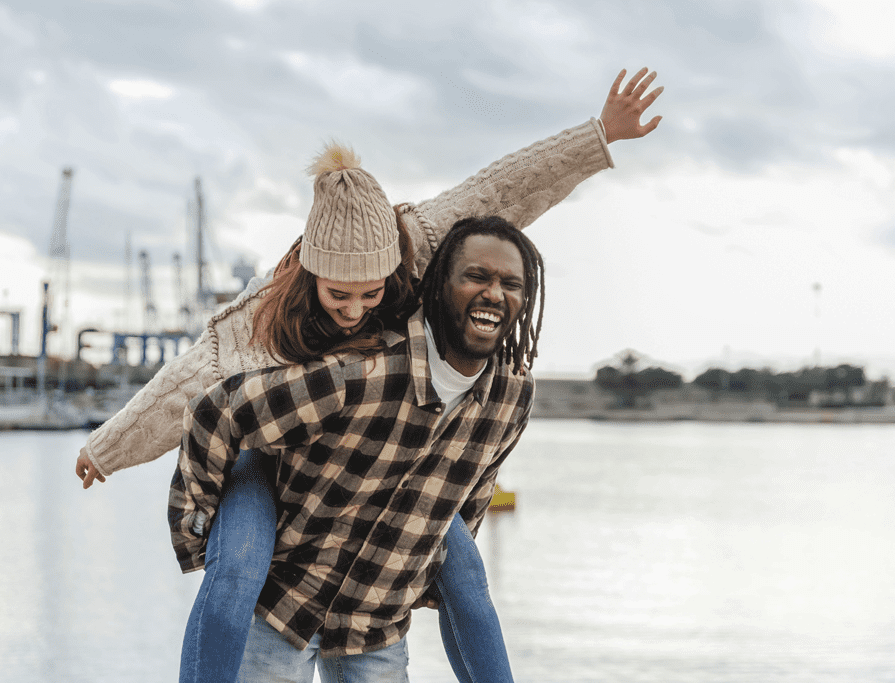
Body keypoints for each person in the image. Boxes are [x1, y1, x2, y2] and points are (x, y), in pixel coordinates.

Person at [76, 67, 664, 682]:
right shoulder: (259, 325)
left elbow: (502, 193)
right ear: (311, 274)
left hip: (365, 479)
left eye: (370, 293)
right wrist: (108, 448)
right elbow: (183, 393)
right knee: (240, 573)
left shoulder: (421, 242)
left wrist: (598, 136)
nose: (357, 309)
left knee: (463, 569)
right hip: (272, 461)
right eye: (338, 295)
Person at [172, 215, 544, 681]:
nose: (494, 292)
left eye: (511, 283)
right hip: (283, 607)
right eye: (476, 276)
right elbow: (218, 411)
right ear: (437, 288)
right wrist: (201, 526)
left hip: (375, 625)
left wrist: (425, 573)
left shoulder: (513, 395)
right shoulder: (358, 372)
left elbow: (474, 488)